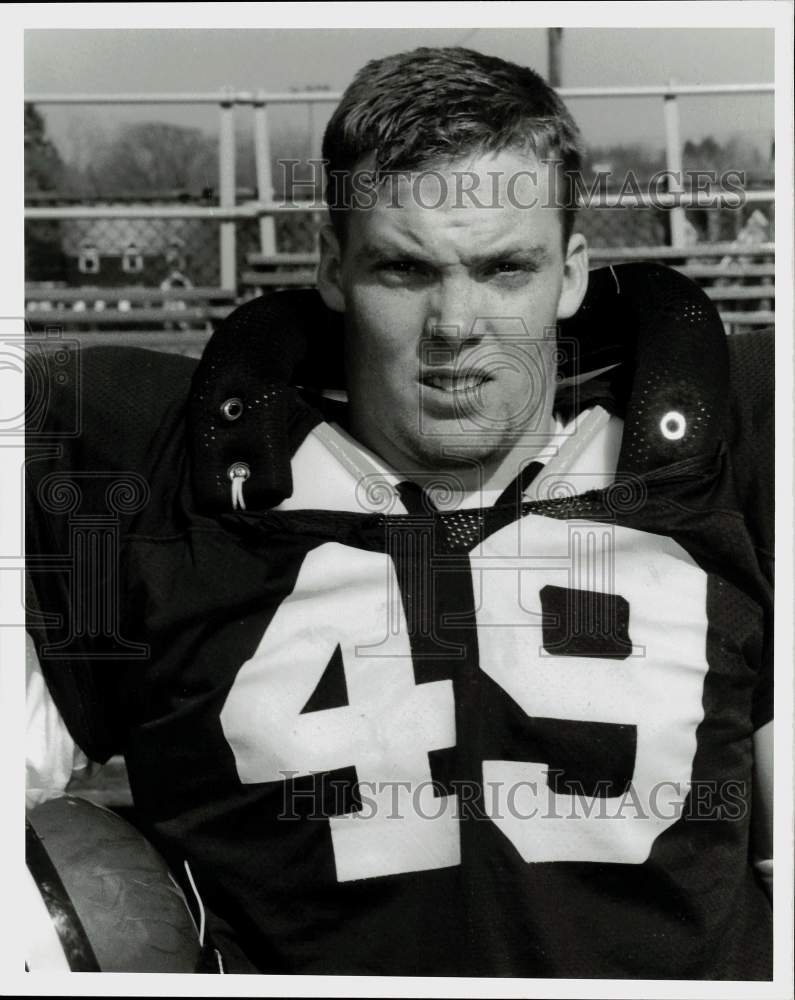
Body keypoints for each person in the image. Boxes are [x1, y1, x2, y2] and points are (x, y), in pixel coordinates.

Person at [25, 46, 773, 978]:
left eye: (505, 269)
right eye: (405, 271)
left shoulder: (734, 450)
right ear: (332, 268)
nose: (456, 324)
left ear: (573, 272)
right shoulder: (158, 474)